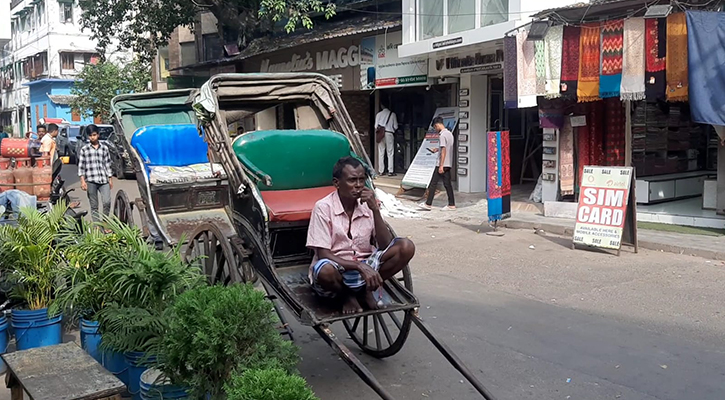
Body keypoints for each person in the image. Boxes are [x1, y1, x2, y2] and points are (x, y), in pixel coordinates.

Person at [306, 156, 415, 314]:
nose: (358, 186)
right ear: (337, 183)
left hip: (367, 263)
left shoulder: (367, 205)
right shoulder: (323, 207)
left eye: (361, 180)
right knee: (325, 270)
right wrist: (358, 265)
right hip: (337, 268)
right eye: (352, 180)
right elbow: (323, 254)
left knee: (406, 247)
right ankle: (347, 296)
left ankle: (366, 290)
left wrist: (375, 210)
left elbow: (385, 245)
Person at [78, 124, 113, 223]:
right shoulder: (85, 149)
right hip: (91, 181)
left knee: (107, 202)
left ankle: (105, 223)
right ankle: (97, 225)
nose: (92, 137)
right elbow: (81, 166)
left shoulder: (104, 148)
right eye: (90, 135)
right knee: (94, 205)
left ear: (98, 135)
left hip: (103, 180)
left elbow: (107, 164)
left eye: (94, 135)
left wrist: (110, 179)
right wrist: (82, 181)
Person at [419, 117, 456, 211]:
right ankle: (452, 204)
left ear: (437, 125)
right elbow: (446, 148)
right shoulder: (450, 134)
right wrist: (437, 149)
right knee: (447, 184)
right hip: (448, 163)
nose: (435, 130)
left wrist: (441, 165)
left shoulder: (442, 135)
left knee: (433, 183)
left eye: (435, 128)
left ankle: (428, 203)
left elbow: (444, 150)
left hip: (441, 163)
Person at [375, 103, 398, 176]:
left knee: (381, 152)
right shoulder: (393, 114)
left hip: (381, 134)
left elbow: (376, 126)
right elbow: (396, 126)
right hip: (389, 133)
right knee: (390, 152)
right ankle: (390, 171)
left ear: (382, 106)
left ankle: (381, 171)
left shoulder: (378, 114)